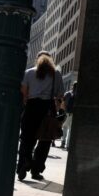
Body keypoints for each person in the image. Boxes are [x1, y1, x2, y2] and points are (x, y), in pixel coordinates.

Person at [17, 51, 64, 181]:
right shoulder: (56, 74)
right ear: (51, 60)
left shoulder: (29, 72)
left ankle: (24, 162)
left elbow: (24, 93)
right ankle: (36, 170)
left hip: (31, 107)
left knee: (27, 138)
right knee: (45, 141)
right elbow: (59, 95)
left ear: (37, 59)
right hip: (48, 109)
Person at [61, 81, 77, 149]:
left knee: (64, 127)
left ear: (72, 86)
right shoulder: (79, 94)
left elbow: (63, 103)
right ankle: (68, 145)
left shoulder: (67, 93)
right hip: (74, 114)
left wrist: (65, 110)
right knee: (70, 130)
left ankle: (63, 142)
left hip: (67, 113)